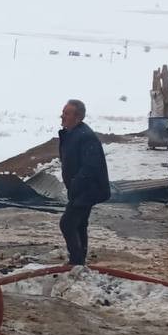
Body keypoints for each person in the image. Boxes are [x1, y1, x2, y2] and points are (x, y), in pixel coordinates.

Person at [58, 99, 110, 266]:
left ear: (78, 117)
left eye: (67, 113)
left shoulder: (85, 136)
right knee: (79, 224)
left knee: (67, 224)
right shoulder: (72, 134)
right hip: (81, 188)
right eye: (63, 112)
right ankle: (80, 259)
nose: (62, 116)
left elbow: (91, 166)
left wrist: (75, 184)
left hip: (87, 189)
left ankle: (76, 262)